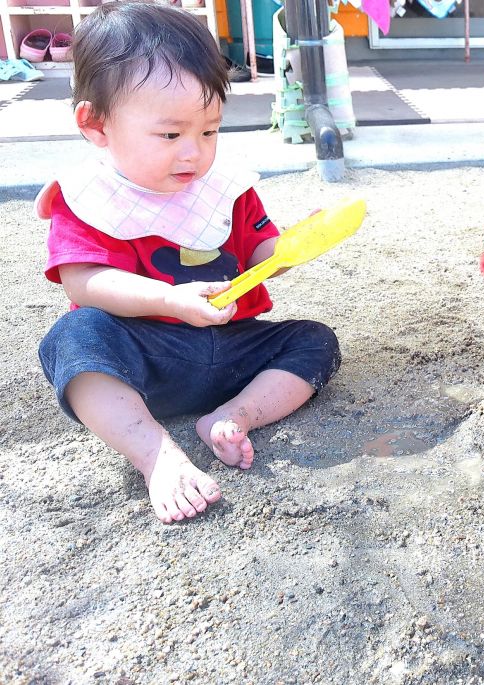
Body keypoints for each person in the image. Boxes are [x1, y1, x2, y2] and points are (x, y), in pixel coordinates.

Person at [36, 0, 340, 524]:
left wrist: (292, 248)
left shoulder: (225, 190)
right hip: (145, 356)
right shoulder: (90, 196)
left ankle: (233, 416)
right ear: (96, 124)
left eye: (209, 131)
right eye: (171, 134)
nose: (193, 154)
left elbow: (261, 253)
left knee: (315, 340)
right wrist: (167, 299)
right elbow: (85, 282)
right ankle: (153, 452)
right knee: (75, 338)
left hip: (233, 349)